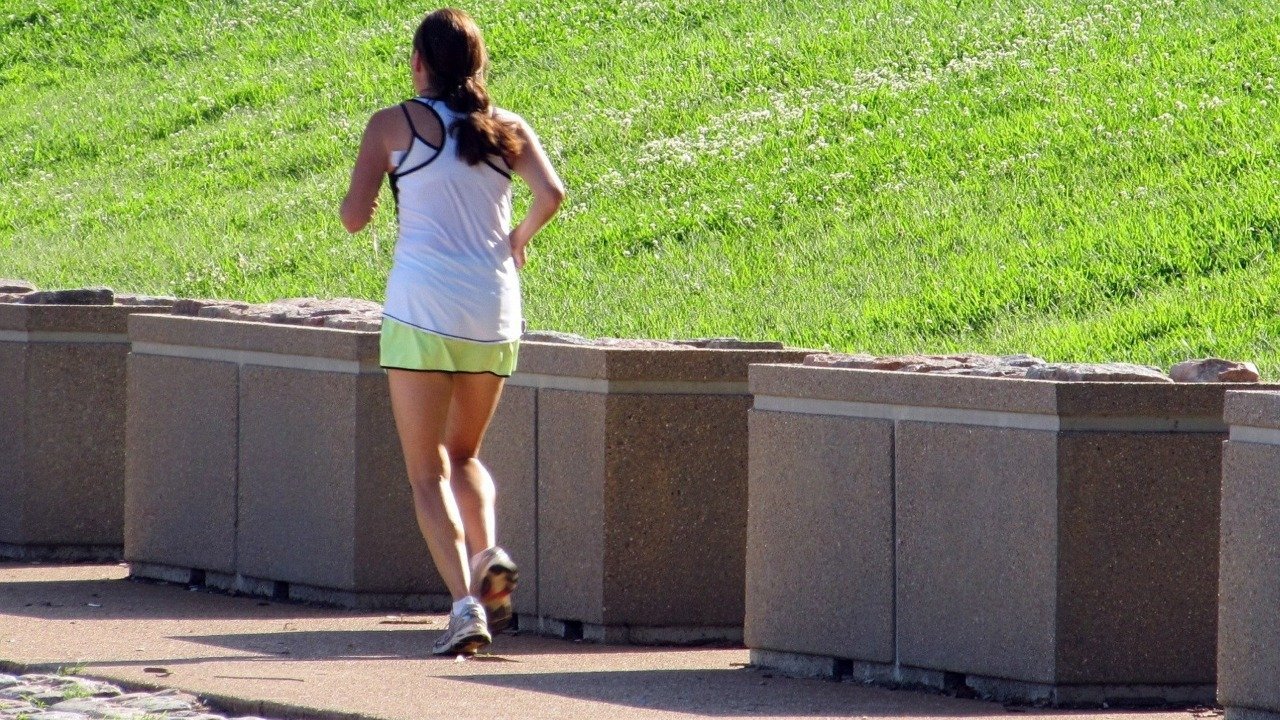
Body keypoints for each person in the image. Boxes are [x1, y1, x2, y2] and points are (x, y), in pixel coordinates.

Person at [339, 7, 564, 656]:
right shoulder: (507, 129)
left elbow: (355, 219)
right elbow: (552, 195)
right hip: (492, 311)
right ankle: (488, 552)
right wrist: (515, 243)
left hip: (420, 310)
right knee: (464, 454)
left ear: (418, 64)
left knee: (425, 471)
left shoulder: (392, 124)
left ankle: (466, 606)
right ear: (478, 65)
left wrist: (376, 188)